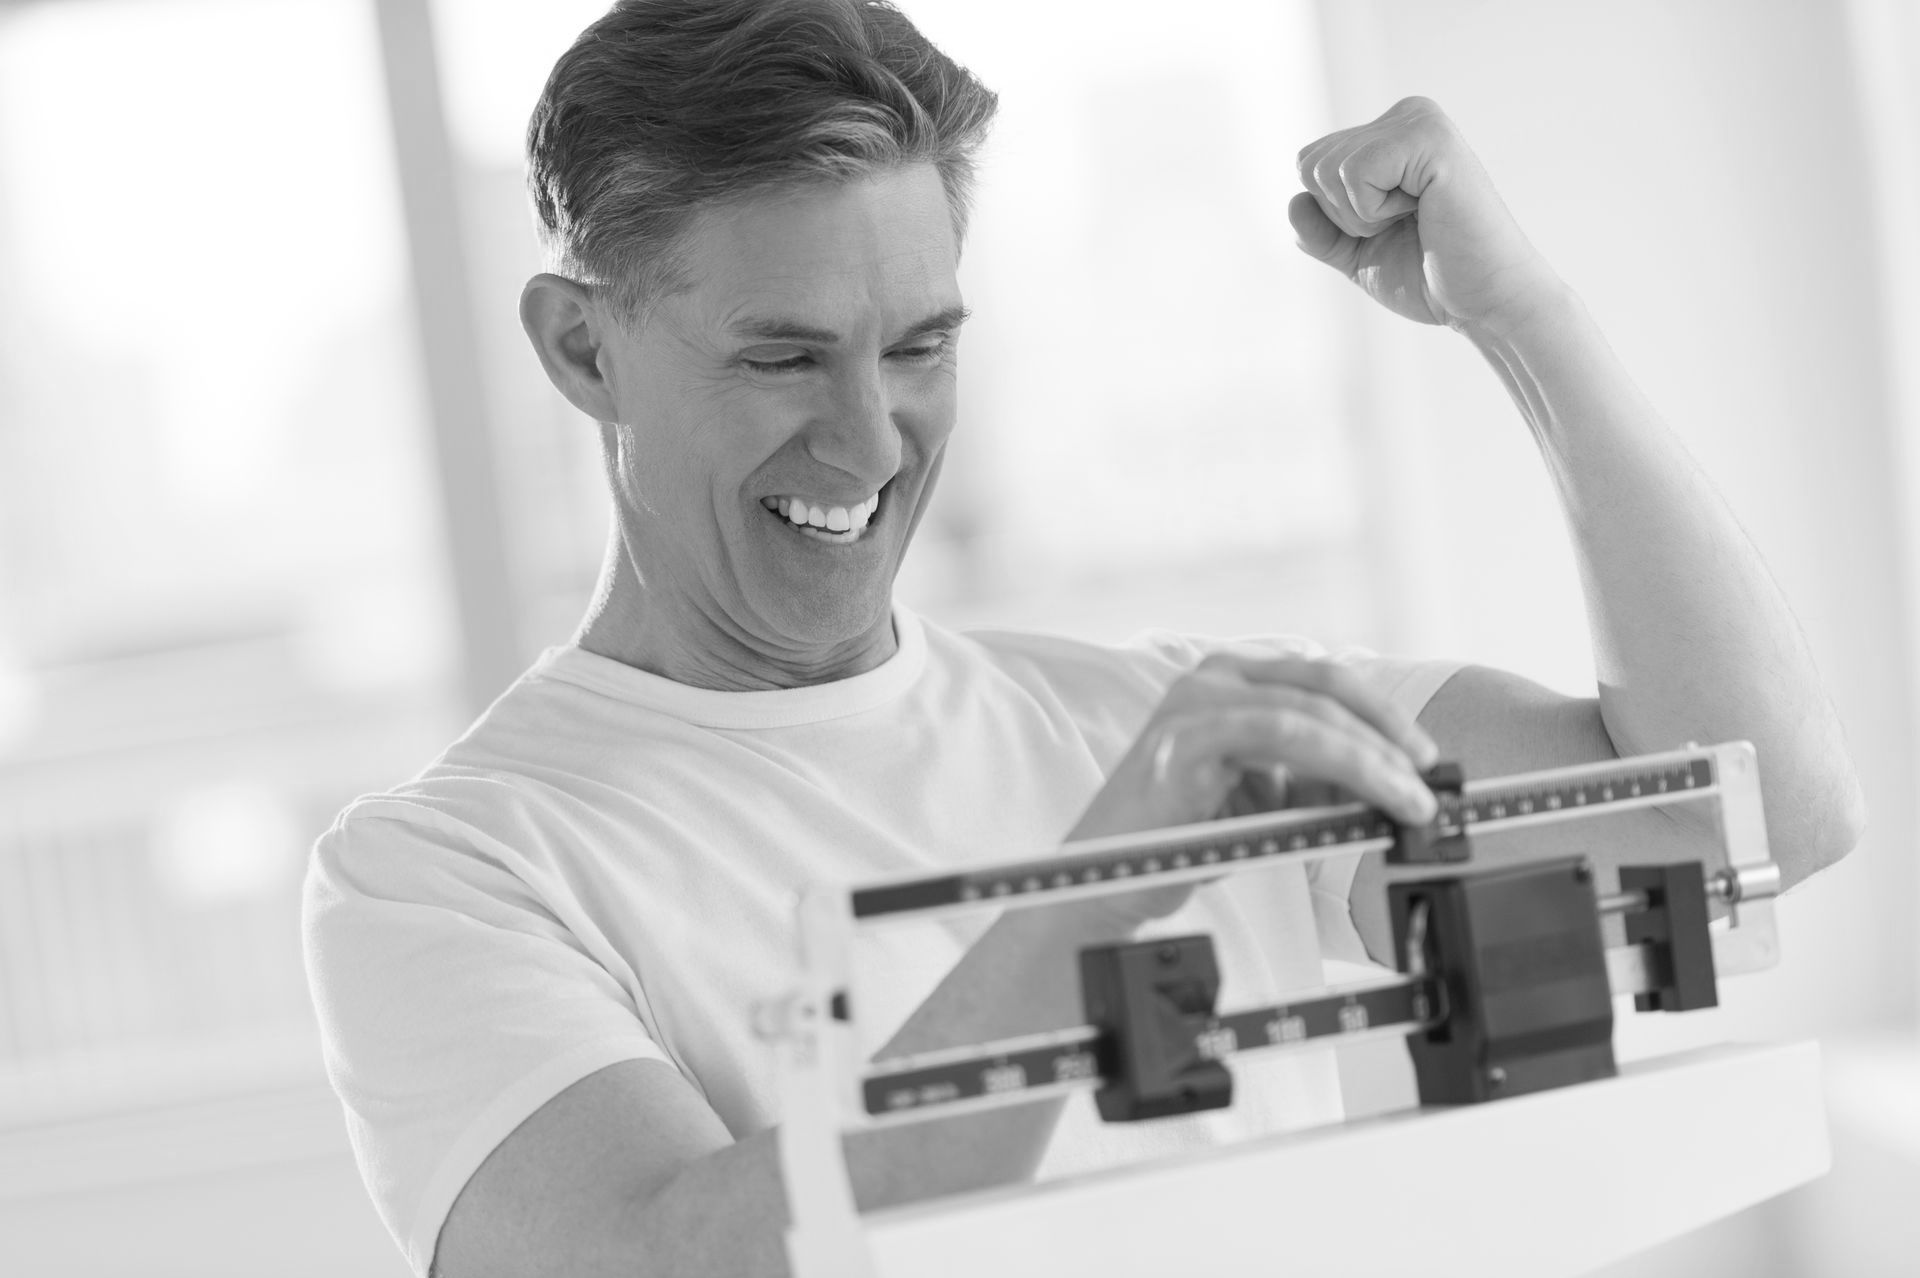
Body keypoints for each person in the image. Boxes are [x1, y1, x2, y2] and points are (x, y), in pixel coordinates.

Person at [301, 2, 1866, 1275]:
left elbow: (1751, 817)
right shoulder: (450, 869)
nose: (869, 441)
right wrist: (1104, 885)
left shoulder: (1175, 726)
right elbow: (652, 1261)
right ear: (584, 346)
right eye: (784, 359)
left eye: (920, 347)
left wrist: (1520, 315)